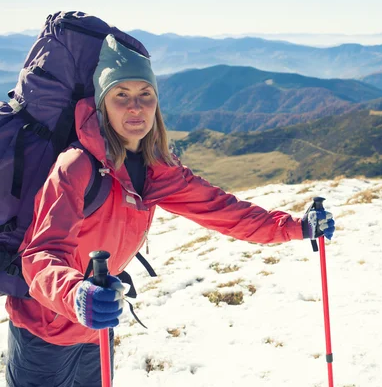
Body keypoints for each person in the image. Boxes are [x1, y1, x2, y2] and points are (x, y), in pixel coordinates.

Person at [4, 34, 335, 387]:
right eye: (121, 95)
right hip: (46, 329)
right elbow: (40, 255)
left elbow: (225, 211)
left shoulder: (155, 169)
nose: (136, 107)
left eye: (145, 95)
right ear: (102, 103)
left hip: (97, 325)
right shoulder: (77, 166)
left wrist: (296, 226)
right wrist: (76, 296)